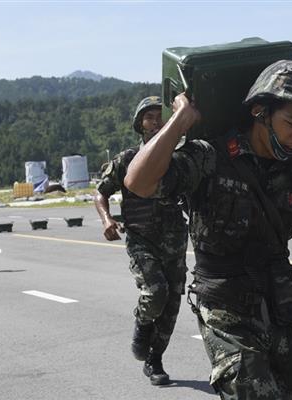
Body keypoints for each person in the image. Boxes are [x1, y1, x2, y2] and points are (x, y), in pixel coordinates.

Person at [124, 61, 292, 399]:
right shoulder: (211, 157)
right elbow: (138, 181)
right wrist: (180, 120)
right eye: (291, 123)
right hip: (225, 303)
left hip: (282, 299)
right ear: (260, 112)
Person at [94, 96, 188, 386]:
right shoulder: (126, 159)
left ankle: (154, 360)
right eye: (149, 116)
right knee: (156, 291)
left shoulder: (180, 159)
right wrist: (107, 220)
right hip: (141, 239)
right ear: (139, 124)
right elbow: (101, 193)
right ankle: (142, 324)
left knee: (171, 303)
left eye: (160, 115)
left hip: (174, 241)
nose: (156, 120)